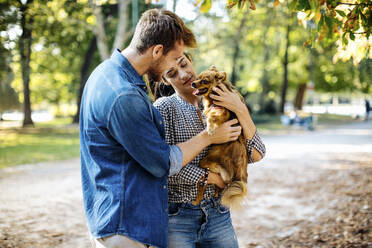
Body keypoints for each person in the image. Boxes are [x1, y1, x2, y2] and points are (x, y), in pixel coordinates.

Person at [79, 9, 242, 248]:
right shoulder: (125, 96)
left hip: (112, 218)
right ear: (157, 51)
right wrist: (209, 136)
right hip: (126, 227)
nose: (178, 66)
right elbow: (162, 163)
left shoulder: (104, 74)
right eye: (175, 59)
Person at [151, 53, 266, 248]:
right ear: (165, 80)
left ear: (191, 61)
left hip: (218, 213)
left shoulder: (223, 102)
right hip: (178, 217)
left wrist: (240, 108)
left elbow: (256, 153)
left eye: (183, 64)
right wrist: (212, 178)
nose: (183, 74)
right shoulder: (164, 108)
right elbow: (162, 165)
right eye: (171, 73)